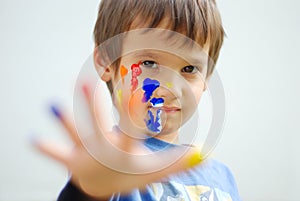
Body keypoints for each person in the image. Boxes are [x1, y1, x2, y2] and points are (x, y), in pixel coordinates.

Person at [35, 0, 242, 200]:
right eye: (149, 63)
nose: (171, 90)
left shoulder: (223, 177)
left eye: (189, 69)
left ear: (206, 77)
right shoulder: (109, 160)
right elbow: (97, 181)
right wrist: (89, 190)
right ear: (105, 62)